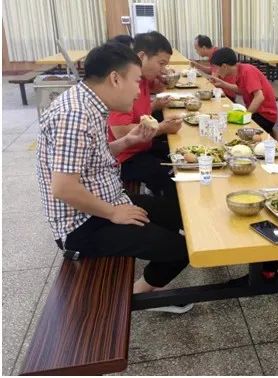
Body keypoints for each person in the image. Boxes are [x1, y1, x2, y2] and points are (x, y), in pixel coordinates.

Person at [36, 42, 193, 314]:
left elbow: (88, 157)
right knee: (181, 249)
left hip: (106, 197)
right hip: (82, 225)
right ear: (115, 78)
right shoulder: (75, 115)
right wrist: (113, 213)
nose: (137, 90)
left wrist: (126, 141)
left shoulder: (88, 103)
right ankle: (138, 298)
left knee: (181, 214)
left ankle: (150, 277)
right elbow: (63, 188)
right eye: (135, 81)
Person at [108, 31, 183, 198]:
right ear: (141, 57)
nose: (163, 69)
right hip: (127, 157)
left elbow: (158, 87)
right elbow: (120, 131)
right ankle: (172, 212)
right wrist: (162, 128)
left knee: (180, 154)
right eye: (161, 63)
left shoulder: (143, 77)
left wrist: (163, 79)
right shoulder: (124, 84)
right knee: (172, 180)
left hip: (143, 146)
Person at [209, 47, 278, 133]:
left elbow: (259, 97)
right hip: (257, 113)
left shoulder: (247, 71)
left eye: (216, 68)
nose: (215, 72)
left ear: (224, 66)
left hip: (265, 117)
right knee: (224, 119)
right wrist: (223, 84)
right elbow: (243, 90)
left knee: (229, 128)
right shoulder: (239, 71)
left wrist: (245, 116)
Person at [189, 35, 236, 100]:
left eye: (197, 49)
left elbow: (213, 79)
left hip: (226, 94)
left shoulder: (217, 55)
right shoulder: (214, 52)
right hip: (221, 91)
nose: (196, 52)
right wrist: (197, 65)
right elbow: (211, 70)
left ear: (204, 48)